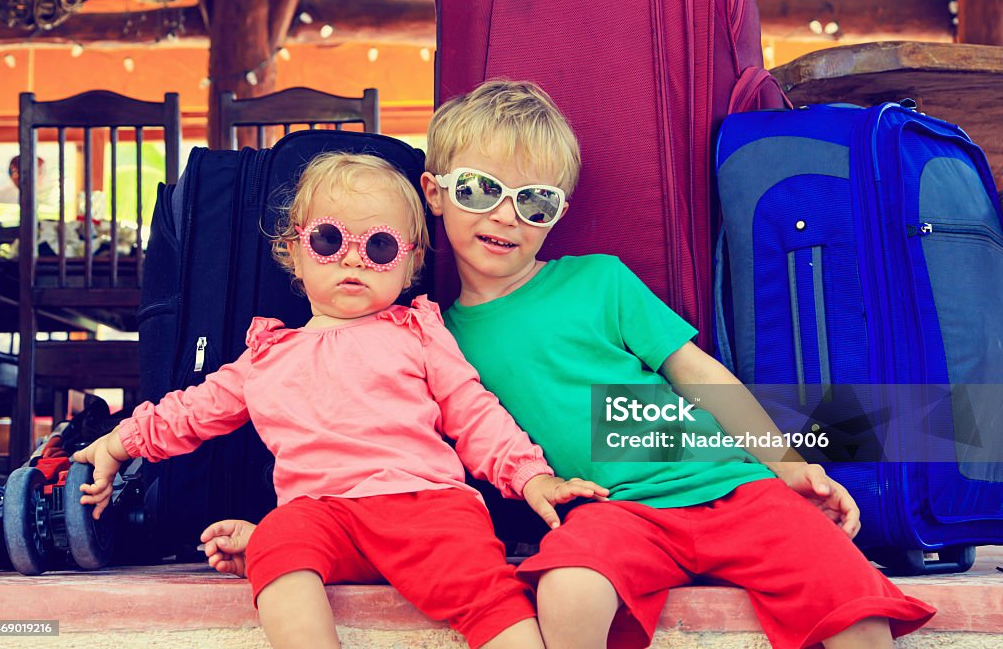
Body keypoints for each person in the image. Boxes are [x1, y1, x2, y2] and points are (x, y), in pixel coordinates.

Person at [199, 81, 937, 649]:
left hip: (730, 485)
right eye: (480, 189)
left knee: (852, 600)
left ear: (557, 212)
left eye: (535, 201)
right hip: (615, 513)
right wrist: (278, 523)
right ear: (434, 193)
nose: (504, 216)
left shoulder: (599, 281)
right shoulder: (427, 335)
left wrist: (784, 460)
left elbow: (699, 376)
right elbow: (366, 443)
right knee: (566, 593)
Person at [73, 151, 608, 649]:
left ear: (410, 262)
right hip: (323, 515)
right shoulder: (265, 356)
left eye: (379, 247)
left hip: (424, 507)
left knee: (486, 588)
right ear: (293, 252)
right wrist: (119, 444)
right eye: (329, 241)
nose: (352, 259)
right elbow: (191, 410)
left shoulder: (417, 332)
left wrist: (530, 475)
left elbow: (473, 411)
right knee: (279, 545)